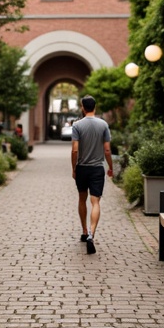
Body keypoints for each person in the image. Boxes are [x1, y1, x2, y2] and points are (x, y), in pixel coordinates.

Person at [70, 94, 113, 254]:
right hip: (97, 169)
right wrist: (111, 167)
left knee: (82, 198)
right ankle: (92, 234)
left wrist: (74, 168)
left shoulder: (77, 125)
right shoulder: (103, 125)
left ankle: (84, 231)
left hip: (82, 167)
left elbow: (75, 149)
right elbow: (107, 150)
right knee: (96, 202)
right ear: (94, 107)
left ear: (83, 107)